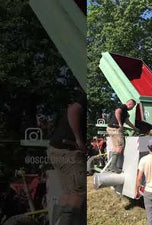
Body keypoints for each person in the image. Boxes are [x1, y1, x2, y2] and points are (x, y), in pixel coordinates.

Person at [47, 89, 86, 225]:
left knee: (68, 193)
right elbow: (74, 109)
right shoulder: (83, 101)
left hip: (57, 150)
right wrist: (79, 140)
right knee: (78, 193)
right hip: (68, 151)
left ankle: (56, 222)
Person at [106, 99, 140, 173]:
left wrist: (135, 129)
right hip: (115, 129)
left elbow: (127, 122)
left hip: (111, 129)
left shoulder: (125, 112)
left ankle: (110, 166)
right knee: (120, 147)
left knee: (115, 148)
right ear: (130, 104)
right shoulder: (123, 107)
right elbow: (117, 111)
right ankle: (113, 167)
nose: (132, 108)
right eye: (133, 106)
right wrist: (120, 123)